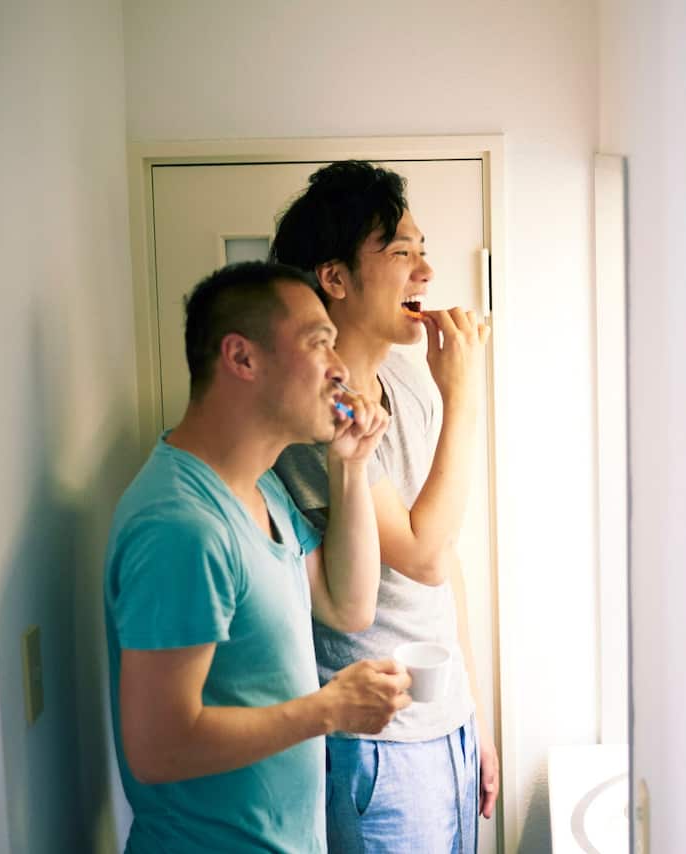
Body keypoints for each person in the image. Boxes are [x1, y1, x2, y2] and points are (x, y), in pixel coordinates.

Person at [104, 261, 412, 853]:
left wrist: (349, 465)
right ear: (242, 359)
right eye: (319, 342)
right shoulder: (181, 526)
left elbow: (347, 605)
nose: (341, 367)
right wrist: (328, 710)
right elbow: (159, 747)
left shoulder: (260, 486)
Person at [271, 161, 497, 853]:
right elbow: (421, 557)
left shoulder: (405, 376)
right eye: (402, 253)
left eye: (423, 252)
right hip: (378, 742)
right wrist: (465, 391)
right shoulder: (323, 410)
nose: (425, 273)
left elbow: (446, 547)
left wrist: (473, 711)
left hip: (444, 721)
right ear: (334, 278)